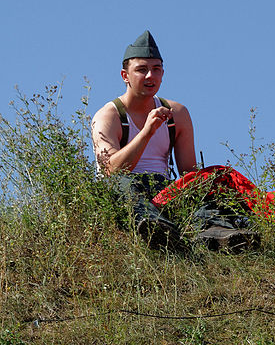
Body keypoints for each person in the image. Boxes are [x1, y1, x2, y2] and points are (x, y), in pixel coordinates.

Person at [91, 30, 257, 252]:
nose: (150, 76)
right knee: (123, 185)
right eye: (141, 70)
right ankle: (155, 228)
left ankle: (220, 234)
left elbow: (189, 172)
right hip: (124, 188)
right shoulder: (109, 115)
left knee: (199, 187)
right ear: (125, 75)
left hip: (161, 188)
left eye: (156, 69)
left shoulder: (176, 113)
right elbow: (112, 169)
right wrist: (147, 132)